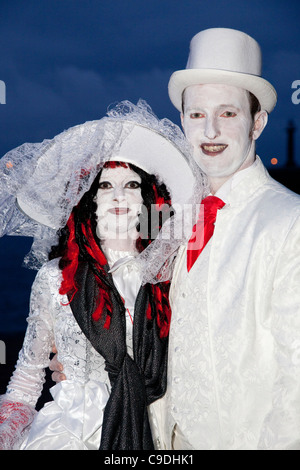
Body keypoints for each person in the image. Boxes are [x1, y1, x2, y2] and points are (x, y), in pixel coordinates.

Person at [0, 100, 204, 450]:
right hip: (67, 434)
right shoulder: (54, 278)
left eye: (131, 184)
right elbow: (27, 377)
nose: (120, 196)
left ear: (149, 197)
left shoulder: (170, 272)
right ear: (88, 199)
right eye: (106, 186)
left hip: (156, 429)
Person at [148, 28, 300, 450]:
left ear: (258, 122)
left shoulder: (292, 223)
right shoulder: (167, 222)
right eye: (196, 114)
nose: (210, 130)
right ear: (182, 120)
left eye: (228, 114)